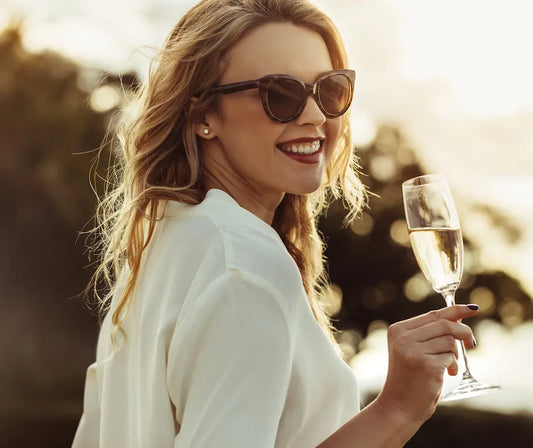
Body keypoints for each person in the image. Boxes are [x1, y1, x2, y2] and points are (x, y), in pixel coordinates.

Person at [73, 0, 479, 446]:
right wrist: (396, 409)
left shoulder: (157, 251)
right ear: (202, 115)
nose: (316, 116)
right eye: (280, 94)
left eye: (331, 90)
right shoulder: (245, 270)